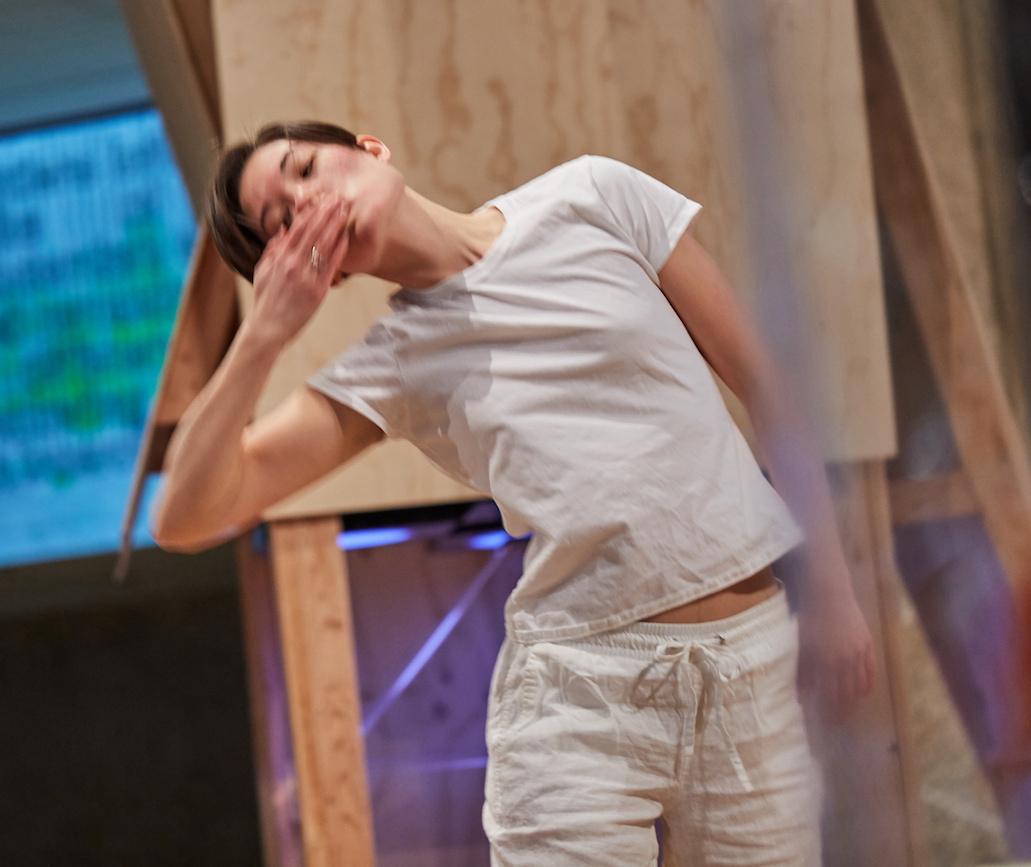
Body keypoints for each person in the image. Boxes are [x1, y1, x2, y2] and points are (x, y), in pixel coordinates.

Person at [152, 121, 875, 866]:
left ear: (370, 149)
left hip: (752, 662)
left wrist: (832, 588)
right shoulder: (393, 363)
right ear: (313, 268)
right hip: (581, 696)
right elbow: (184, 517)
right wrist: (261, 337)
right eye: (282, 221)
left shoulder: (593, 194)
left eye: (303, 168)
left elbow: (766, 384)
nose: (307, 200)